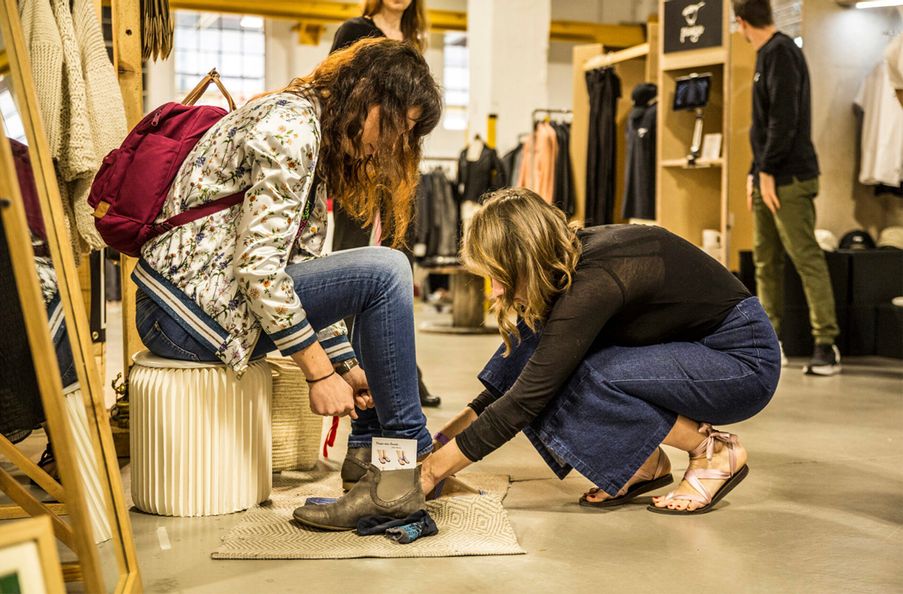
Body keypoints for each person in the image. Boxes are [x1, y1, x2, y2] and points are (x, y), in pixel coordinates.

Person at [293, 189, 781, 530]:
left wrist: (426, 475)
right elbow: (506, 383)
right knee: (534, 355)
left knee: (576, 378)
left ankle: (713, 449)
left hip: (740, 361)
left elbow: (527, 397)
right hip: (691, 350)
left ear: (523, 258)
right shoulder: (562, 264)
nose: (495, 291)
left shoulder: (592, 284)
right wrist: (436, 444)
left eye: (499, 275)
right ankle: (644, 464)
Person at [132, 39, 442, 465]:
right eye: (397, 125)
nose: (394, 144)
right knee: (386, 271)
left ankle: (370, 452)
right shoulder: (292, 129)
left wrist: (345, 365)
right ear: (367, 94)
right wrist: (320, 373)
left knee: (374, 277)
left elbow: (301, 263)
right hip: (182, 316)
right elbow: (258, 270)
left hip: (196, 304)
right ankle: (412, 459)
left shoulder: (310, 126)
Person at [329, 0, 442, 411]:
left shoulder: (413, 40)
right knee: (350, 258)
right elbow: (338, 96)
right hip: (358, 161)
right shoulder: (354, 31)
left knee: (399, 262)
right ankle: (344, 361)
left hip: (398, 165)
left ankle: (403, 370)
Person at [734, 0, 841, 376]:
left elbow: (785, 119)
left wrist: (766, 171)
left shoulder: (781, 53)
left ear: (741, 22)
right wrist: (754, 172)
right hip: (767, 175)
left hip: (789, 178)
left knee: (805, 257)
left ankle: (826, 344)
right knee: (765, 261)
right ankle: (770, 343)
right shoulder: (766, 54)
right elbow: (763, 127)